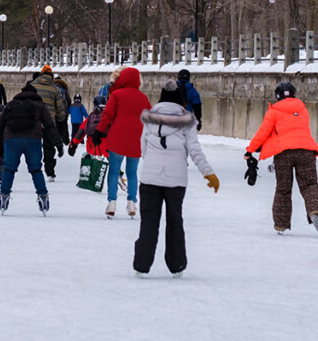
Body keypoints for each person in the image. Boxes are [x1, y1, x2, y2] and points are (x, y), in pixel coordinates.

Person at [133, 80, 220, 277]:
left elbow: (143, 147)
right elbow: (194, 150)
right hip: (176, 179)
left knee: (149, 222)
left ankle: (141, 265)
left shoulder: (149, 118)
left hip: (149, 178)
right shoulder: (187, 120)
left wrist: (152, 164)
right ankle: (177, 265)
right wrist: (208, 173)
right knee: (175, 221)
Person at [245, 81, 318, 235]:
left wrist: (250, 151)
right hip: (306, 150)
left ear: (277, 96)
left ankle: (281, 225)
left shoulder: (274, 111)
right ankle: (314, 211)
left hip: (283, 153)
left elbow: (262, 134)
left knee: (283, 189)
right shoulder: (302, 109)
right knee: (309, 184)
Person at [0, 83, 63, 214]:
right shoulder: (40, 106)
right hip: (33, 140)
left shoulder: (10, 105)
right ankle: (42, 196)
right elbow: (50, 125)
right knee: (36, 169)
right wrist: (58, 144)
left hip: (12, 139)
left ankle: (4, 196)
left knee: (9, 169)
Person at [90, 67, 151, 218]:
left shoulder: (116, 95)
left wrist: (98, 132)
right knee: (132, 172)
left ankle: (112, 202)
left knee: (114, 171)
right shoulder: (143, 98)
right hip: (136, 139)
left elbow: (108, 116)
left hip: (117, 137)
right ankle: (132, 202)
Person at [31, 67, 68, 182]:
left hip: (34, 121)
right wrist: (61, 118)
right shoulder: (54, 89)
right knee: (49, 146)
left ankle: (35, 168)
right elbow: (60, 107)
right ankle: (50, 171)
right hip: (49, 121)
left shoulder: (32, 86)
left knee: (35, 145)